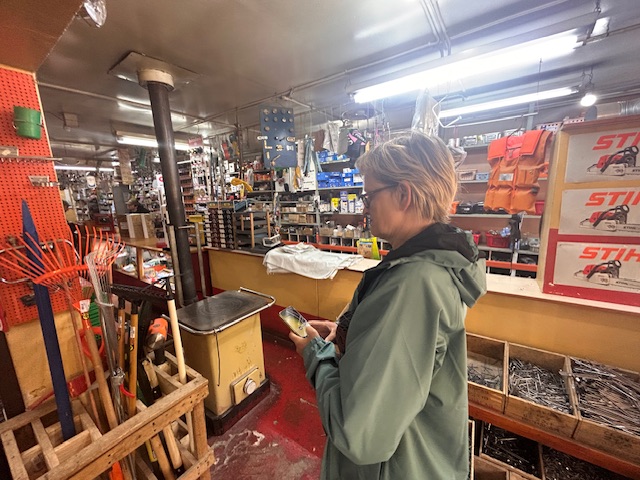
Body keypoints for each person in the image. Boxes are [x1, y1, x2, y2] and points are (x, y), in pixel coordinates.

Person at [289, 131, 487, 479]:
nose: (365, 208)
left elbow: (359, 435)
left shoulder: (412, 286)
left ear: (403, 194)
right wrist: (351, 334)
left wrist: (315, 356)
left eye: (370, 196)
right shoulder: (430, 265)